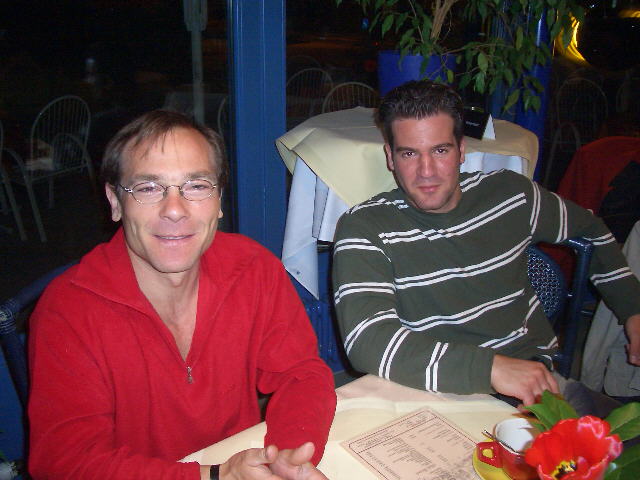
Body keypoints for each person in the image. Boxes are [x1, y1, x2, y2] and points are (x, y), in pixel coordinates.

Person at [28, 110, 336, 479]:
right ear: (115, 201)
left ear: (219, 199)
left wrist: (288, 456)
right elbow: (65, 462)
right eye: (148, 188)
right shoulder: (68, 311)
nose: (174, 210)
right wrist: (214, 475)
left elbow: (301, 374)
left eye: (196, 186)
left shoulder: (253, 269)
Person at [332, 80, 640, 409]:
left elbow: (591, 231)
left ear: (461, 150)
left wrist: (633, 309)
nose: (426, 171)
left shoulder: (510, 195)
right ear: (390, 158)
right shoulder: (365, 227)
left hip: (532, 389)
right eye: (409, 153)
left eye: (440, 150)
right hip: (425, 391)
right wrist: (490, 369)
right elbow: (366, 339)